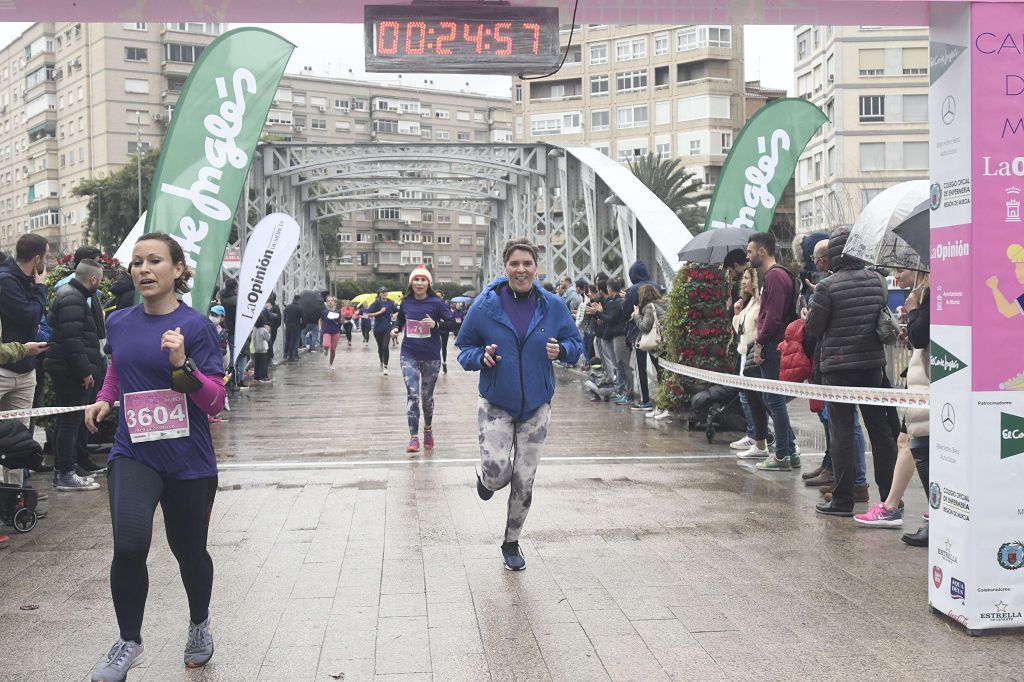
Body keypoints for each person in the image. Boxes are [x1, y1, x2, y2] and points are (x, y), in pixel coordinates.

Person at [84, 232, 225, 680]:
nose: (143, 269)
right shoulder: (119, 322)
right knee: (128, 544)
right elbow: (117, 367)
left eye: (155, 261)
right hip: (133, 452)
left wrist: (183, 364)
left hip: (188, 459)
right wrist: (106, 397)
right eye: (137, 262)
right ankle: (128, 642)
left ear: (178, 270)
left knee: (189, 551)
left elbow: (216, 401)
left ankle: (199, 624)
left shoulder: (197, 327)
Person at [456, 238, 583, 572]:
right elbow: (463, 348)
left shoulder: (552, 305)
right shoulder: (485, 305)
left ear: (536, 267)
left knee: (524, 480)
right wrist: (480, 357)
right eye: (515, 264)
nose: (521, 270)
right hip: (496, 402)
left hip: (537, 406)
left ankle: (511, 543)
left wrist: (564, 351)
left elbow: (575, 342)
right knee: (499, 476)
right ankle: (487, 481)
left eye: (527, 263)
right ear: (506, 267)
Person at [805, 227, 898, 516]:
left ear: (833, 256)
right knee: (880, 432)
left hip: (838, 369)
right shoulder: (877, 281)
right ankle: (891, 498)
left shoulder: (827, 287)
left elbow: (815, 329)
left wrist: (810, 310)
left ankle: (843, 500)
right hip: (872, 367)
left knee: (842, 432)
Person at [854, 267, 932, 541]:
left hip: (927, 385)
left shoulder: (930, 293)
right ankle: (891, 506)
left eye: (903, 268)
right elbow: (921, 339)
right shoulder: (922, 294)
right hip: (919, 382)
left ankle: (931, 508)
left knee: (919, 446)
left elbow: (923, 335)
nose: (897, 274)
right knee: (905, 442)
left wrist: (913, 312)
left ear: (919, 269)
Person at [44, 259, 105, 491]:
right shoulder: (73, 298)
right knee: (69, 422)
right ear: (92, 279)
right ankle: (66, 474)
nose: (99, 285)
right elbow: (72, 339)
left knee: (66, 420)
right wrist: (85, 371)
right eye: (98, 281)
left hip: (66, 368)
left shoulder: (71, 295)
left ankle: (64, 471)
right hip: (70, 371)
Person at [740, 233, 799, 470]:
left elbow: (772, 317)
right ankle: (790, 451)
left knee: (774, 400)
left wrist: (761, 343)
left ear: (762, 251)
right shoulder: (781, 274)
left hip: (773, 346)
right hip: (776, 344)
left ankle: (781, 455)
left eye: (750, 251)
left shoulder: (774, 276)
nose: (748, 256)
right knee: (773, 400)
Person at [0, 234, 48, 488]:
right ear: (37, 258)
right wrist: (41, 288)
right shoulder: (6, 280)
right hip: (4, 368)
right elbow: (30, 316)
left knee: (18, 438)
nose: (46, 263)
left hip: (26, 369)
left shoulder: (24, 279)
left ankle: (14, 498)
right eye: (46, 257)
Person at [391, 266, 455, 452]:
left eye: (423, 280)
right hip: (409, 354)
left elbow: (452, 323)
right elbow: (400, 321)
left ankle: (427, 429)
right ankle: (413, 438)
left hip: (431, 356)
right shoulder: (406, 302)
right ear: (411, 282)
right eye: (416, 280)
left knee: (426, 398)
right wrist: (396, 329)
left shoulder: (437, 303)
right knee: (413, 395)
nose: (419, 283)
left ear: (428, 283)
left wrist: (436, 324)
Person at [731, 266, 765, 452]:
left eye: (746, 278)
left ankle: (755, 434)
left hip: (754, 353)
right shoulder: (749, 302)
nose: (743, 282)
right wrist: (737, 314)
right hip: (744, 352)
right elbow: (740, 330)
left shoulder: (760, 304)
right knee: (746, 396)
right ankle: (753, 433)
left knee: (755, 397)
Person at [623, 260, 657, 411]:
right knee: (660, 367)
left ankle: (645, 400)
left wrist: (626, 299)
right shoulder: (657, 286)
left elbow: (625, 311)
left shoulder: (632, 289)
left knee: (640, 367)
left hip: (638, 332)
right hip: (656, 333)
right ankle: (666, 401)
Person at [631, 284, 667, 418]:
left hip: (656, 346)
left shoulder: (648, 307)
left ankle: (664, 407)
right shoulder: (664, 304)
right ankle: (663, 406)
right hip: (665, 343)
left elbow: (645, 326)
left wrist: (636, 316)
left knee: (661, 376)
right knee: (664, 374)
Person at [365, 287, 397, 375]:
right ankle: (381, 361)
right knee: (380, 347)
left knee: (385, 346)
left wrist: (395, 314)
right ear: (379, 294)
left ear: (387, 293)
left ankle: (386, 367)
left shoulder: (391, 303)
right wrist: (379, 312)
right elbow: (368, 314)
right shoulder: (376, 303)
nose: (384, 293)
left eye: (385, 292)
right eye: (382, 292)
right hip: (378, 329)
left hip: (387, 328)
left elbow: (398, 311)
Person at [319, 296, 343, 370]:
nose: (330, 302)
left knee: (333, 349)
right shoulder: (324, 311)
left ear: (334, 302)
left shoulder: (338, 311)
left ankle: (331, 364)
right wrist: (320, 328)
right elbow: (320, 320)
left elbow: (340, 321)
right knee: (326, 345)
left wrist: (342, 320)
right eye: (328, 301)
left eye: (331, 301)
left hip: (336, 331)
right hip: (327, 330)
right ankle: (326, 349)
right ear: (326, 302)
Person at [251, 313, 272, 382]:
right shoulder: (263, 329)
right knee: (263, 364)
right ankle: (263, 377)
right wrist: (268, 331)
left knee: (257, 364)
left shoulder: (254, 328)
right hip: (263, 349)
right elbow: (268, 338)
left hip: (256, 348)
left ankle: (256, 377)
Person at [283, 295, 303, 361]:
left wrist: (286, 323)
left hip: (288, 326)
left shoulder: (287, 307)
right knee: (293, 341)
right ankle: (291, 356)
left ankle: (285, 354)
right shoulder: (299, 308)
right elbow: (304, 318)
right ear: (299, 300)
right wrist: (302, 326)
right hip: (296, 327)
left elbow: (284, 317)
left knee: (287, 340)